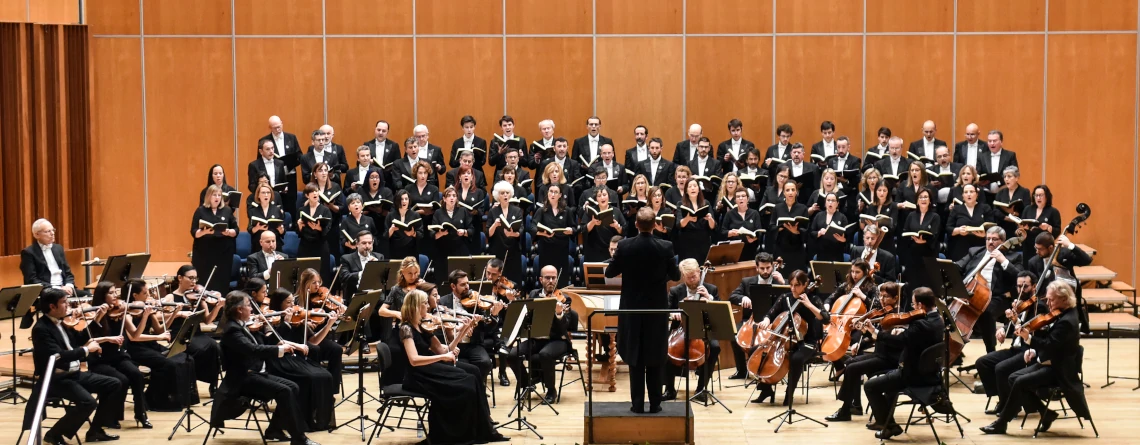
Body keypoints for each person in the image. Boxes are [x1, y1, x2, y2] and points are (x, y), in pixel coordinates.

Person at [397, 290, 509, 444]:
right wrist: (443, 357)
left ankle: (482, 429)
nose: (428, 306)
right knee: (467, 383)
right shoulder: (406, 329)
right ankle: (459, 434)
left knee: (472, 378)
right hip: (418, 375)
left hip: (430, 368)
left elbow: (445, 349)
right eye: (424, 303)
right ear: (415, 306)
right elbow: (414, 360)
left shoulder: (423, 327)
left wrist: (463, 330)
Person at [980, 281, 1087, 435]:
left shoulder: (1067, 321)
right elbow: (1053, 344)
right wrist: (1035, 352)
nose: (1048, 303)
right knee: (1013, 378)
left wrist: (1029, 339)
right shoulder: (1062, 313)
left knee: (1018, 381)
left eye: (1052, 300)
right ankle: (1045, 413)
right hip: (1049, 362)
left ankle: (1002, 423)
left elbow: (1050, 345)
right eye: (1048, 299)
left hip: (1059, 370)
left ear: (1065, 299)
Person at [213, 292, 318, 445]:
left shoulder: (242, 325)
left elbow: (262, 343)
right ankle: (299, 438)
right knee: (285, 391)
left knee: (294, 386)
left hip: (255, 374)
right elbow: (253, 349)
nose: (252, 309)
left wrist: (283, 343)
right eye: (249, 305)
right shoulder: (232, 330)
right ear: (239, 310)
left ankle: (274, 429)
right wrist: (280, 350)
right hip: (242, 379)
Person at [22, 289, 123, 445]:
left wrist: (97, 318)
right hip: (56, 379)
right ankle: (54, 434)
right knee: (88, 402)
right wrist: (87, 350)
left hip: (74, 375)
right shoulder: (41, 329)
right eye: (64, 302)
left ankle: (95, 431)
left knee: (114, 384)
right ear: (52, 306)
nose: (68, 306)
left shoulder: (61, 322)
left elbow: (81, 337)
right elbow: (58, 356)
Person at [606, 208, 681, 413]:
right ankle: (656, 404)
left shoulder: (624, 246)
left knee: (635, 355)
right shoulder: (666, 246)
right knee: (655, 355)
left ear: (636, 225)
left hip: (631, 309)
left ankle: (637, 404)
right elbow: (675, 275)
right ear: (655, 223)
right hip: (656, 310)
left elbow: (610, 271)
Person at [863, 287, 945, 439]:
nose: (912, 308)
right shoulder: (938, 320)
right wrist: (904, 331)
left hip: (912, 376)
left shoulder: (920, 325)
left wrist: (875, 333)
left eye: (914, 304)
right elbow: (914, 338)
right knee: (889, 386)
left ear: (920, 305)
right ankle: (888, 422)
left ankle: (889, 426)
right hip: (930, 375)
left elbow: (899, 343)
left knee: (870, 386)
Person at [114, 279, 199, 414]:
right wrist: (152, 328)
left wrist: (174, 314)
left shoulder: (147, 307)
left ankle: (184, 399)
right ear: (135, 295)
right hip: (135, 348)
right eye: (145, 293)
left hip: (150, 344)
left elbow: (160, 329)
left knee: (185, 358)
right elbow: (134, 337)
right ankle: (154, 399)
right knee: (168, 364)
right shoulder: (126, 313)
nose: (149, 296)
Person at [260, 288, 338, 432]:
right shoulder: (271, 320)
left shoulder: (299, 319)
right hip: (280, 361)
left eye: (293, 302)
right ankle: (302, 422)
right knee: (309, 378)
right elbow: (272, 341)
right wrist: (286, 323)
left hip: (298, 361)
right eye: (288, 302)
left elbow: (314, 341)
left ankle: (319, 420)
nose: (292, 306)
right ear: (278, 304)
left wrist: (329, 324)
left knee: (325, 375)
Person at [826, 282, 902, 422]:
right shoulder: (883, 313)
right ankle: (852, 406)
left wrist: (873, 331)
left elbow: (888, 340)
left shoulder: (898, 317)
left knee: (853, 367)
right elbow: (876, 338)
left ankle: (846, 409)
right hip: (879, 355)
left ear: (896, 298)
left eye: (886, 297)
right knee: (849, 362)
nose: (881, 299)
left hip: (890, 359)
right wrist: (860, 343)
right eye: (880, 296)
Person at [751, 270, 828, 406]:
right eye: (791, 285)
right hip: (784, 339)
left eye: (797, 285)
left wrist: (809, 305)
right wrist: (766, 320)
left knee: (796, 358)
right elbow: (771, 312)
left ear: (805, 285)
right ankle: (765, 389)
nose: (793, 288)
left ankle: (789, 394)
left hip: (807, 342)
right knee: (756, 350)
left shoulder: (814, 299)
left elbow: (826, 319)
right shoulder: (786, 298)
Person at [506, 266, 578, 403]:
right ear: (541, 279)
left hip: (558, 341)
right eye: (547, 278)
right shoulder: (534, 294)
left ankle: (551, 391)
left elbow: (564, 327)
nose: (551, 281)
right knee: (511, 355)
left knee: (545, 354)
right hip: (536, 339)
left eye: (553, 278)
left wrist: (558, 313)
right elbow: (524, 316)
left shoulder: (564, 299)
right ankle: (527, 384)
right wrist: (513, 302)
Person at [973, 271, 1038, 415]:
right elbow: (1012, 328)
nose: (1021, 290)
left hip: (1028, 351)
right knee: (982, 363)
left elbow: (1031, 330)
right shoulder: (1018, 304)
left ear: (1034, 286)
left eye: (1025, 287)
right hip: (1015, 349)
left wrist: (1016, 321)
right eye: (1018, 286)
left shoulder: (1038, 306)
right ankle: (1005, 400)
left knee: (1001, 368)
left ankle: (1010, 406)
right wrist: (1002, 329)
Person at [955, 226, 1023, 353]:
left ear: (1003, 241)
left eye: (995, 239)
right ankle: (955, 351)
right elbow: (959, 266)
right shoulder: (975, 251)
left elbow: (1019, 276)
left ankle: (990, 351)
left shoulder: (1013, 257)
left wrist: (1003, 260)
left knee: (986, 312)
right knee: (949, 311)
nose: (990, 242)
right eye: (988, 239)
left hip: (997, 297)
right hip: (970, 293)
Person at [663, 259, 720, 403]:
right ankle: (669, 389)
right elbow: (666, 311)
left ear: (699, 273)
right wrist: (674, 313)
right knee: (665, 347)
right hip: (680, 330)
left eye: (694, 276)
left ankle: (701, 389)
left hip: (703, 329)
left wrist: (709, 298)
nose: (692, 280)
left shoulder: (711, 289)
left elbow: (720, 311)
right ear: (683, 276)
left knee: (714, 347)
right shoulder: (676, 291)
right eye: (688, 278)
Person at [163, 265, 223, 393]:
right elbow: (162, 320)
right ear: (180, 278)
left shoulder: (198, 296)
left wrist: (217, 307)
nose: (194, 282)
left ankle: (213, 383)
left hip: (197, 334)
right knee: (200, 349)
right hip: (181, 335)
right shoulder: (171, 298)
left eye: (195, 279)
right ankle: (192, 380)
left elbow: (207, 320)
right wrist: (179, 313)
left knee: (215, 347)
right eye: (190, 278)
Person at [726, 252, 785, 379]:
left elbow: (790, 299)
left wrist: (781, 282)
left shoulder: (779, 281)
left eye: (768, 268)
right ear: (756, 267)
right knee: (734, 335)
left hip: (773, 321)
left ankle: (769, 369)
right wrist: (743, 298)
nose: (765, 271)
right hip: (751, 320)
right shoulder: (747, 282)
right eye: (762, 268)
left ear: (772, 266)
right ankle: (742, 371)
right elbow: (732, 296)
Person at [438, 270, 504, 379]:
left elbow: (487, 329)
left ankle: (477, 388)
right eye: (462, 285)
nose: (467, 287)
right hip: (453, 344)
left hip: (473, 344)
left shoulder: (476, 302)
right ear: (453, 286)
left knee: (485, 363)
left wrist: (494, 316)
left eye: (467, 283)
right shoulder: (443, 302)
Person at [21, 218, 83, 327]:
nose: (52, 233)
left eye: (52, 230)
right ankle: (59, 330)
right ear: (36, 234)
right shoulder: (28, 253)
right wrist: (57, 289)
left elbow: (68, 273)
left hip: (65, 288)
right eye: (47, 231)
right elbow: (31, 279)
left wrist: (69, 285)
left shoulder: (58, 248)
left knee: (91, 296)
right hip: (46, 291)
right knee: (59, 301)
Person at [1027, 232, 1093, 331]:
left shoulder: (1064, 254)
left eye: (1040, 249)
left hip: (1064, 302)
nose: (1037, 251)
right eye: (1035, 248)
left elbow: (1087, 260)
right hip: (1044, 303)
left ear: (1050, 248)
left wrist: (1070, 245)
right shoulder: (1033, 262)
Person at [192, 184, 237, 294]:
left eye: (219, 195)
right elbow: (194, 232)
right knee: (205, 280)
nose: (217, 197)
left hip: (223, 252)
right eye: (214, 195)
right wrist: (204, 231)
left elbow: (236, 230)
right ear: (208, 197)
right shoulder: (200, 211)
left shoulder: (227, 210)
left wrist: (229, 232)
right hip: (205, 253)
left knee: (221, 280)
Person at [531, 184, 576, 288]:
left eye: (555, 192)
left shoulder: (567, 210)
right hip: (546, 250)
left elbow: (574, 228)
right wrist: (542, 233)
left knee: (561, 279)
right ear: (547, 193)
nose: (553, 194)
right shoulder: (541, 210)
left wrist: (570, 230)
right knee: (547, 280)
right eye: (551, 191)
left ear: (560, 195)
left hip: (562, 250)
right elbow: (532, 228)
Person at [900, 188, 941, 294]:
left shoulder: (935, 216)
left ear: (930, 200)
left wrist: (924, 241)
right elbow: (905, 231)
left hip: (928, 254)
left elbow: (935, 235)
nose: (923, 199)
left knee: (927, 287)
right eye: (921, 197)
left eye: (926, 197)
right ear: (917, 200)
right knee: (913, 286)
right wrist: (913, 238)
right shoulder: (911, 215)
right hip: (913, 254)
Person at [430, 186, 474, 279]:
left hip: (459, 249)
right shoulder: (438, 212)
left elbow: (471, 230)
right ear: (444, 199)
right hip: (442, 250)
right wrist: (441, 233)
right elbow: (432, 234)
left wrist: (464, 231)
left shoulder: (463, 211)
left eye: (454, 196)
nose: (452, 198)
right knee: (443, 278)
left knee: (459, 278)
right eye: (449, 196)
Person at [487, 181, 525, 285]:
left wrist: (512, 234)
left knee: (513, 281)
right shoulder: (492, 211)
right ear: (497, 195)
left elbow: (521, 230)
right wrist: (495, 225)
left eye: (507, 193)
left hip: (513, 250)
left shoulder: (517, 211)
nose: (505, 195)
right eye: (502, 193)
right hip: (498, 249)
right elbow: (488, 233)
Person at [264, 116, 302, 220]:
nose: (278, 129)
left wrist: (290, 162)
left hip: (290, 176)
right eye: (275, 128)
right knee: (276, 204)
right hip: (274, 178)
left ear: (282, 123)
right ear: (270, 127)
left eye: (279, 126)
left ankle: (292, 227)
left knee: (291, 204)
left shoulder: (291, 137)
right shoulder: (264, 141)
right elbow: (261, 161)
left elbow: (299, 155)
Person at [946, 183, 995, 260]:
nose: (969, 194)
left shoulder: (985, 208)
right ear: (962, 195)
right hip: (960, 248)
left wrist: (985, 234)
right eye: (966, 192)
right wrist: (958, 230)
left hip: (980, 247)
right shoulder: (956, 209)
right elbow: (948, 228)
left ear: (977, 194)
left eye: (971, 192)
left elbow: (992, 227)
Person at [296, 184, 333, 283]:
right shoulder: (301, 210)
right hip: (305, 246)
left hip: (320, 246)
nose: (315, 193)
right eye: (312, 191)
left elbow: (328, 230)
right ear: (307, 195)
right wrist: (299, 227)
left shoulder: (326, 210)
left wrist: (319, 228)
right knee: (305, 274)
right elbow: (298, 233)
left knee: (322, 274)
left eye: (317, 191)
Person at [770, 180, 808, 275]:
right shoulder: (777, 208)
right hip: (781, 248)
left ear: (796, 192)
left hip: (797, 249)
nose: (790, 192)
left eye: (792, 190)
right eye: (787, 190)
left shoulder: (803, 208)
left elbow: (806, 229)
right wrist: (779, 228)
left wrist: (796, 231)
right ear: (784, 192)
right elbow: (771, 227)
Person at [1019, 185, 1062, 267]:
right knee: (1028, 268)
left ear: (1046, 196)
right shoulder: (1028, 209)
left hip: (1043, 247)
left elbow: (1057, 230)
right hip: (1028, 245)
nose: (1038, 198)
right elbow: (1021, 224)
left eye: (1041, 195)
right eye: (1036, 195)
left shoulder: (1053, 211)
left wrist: (1048, 227)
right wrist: (1023, 228)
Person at [675, 178, 716, 263]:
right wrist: (687, 218)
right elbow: (679, 224)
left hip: (703, 241)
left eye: (695, 186)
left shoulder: (706, 203)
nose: (693, 188)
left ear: (698, 189)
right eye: (690, 186)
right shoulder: (681, 204)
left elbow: (713, 226)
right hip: (687, 242)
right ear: (686, 190)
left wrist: (710, 219)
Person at [580, 186, 627, 263]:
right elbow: (583, 230)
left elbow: (624, 231)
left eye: (604, 195)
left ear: (608, 196)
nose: (602, 198)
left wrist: (617, 227)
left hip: (611, 250)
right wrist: (592, 223)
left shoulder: (616, 211)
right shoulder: (590, 211)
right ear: (596, 198)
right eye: (599, 196)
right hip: (594, 250)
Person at [338, 230, 384, 300]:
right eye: (364, 243)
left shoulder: (379, 257)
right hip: (356, 297)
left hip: (376, 296)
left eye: (370, 243)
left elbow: (385, 279)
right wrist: (364, 272)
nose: (367, 246)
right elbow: (344, 277)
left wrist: (378, 267)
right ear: (357, 244)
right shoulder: (346, 258)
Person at [720, 188, 763, 262]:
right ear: (735, 200)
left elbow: (759, 232)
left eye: (743, 196)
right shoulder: (729, 214)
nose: (741, 198)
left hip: (751, 249)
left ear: (748, 199)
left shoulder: (754, 213)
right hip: (734, 249)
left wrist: (754, 238)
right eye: (738, 197)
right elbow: (722, 232)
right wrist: (730, 233)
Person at [809, 192, 849, 262]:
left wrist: (843, 240)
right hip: (821, 253)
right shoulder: (819, 215)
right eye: (828, 200)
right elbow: (811, 232)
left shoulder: (842, 217)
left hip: (837, 254)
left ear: (837, 203)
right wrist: (819, 233)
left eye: (833, 200)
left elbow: (847, 237)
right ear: (825, 203)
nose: (830, 202)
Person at [247, 183, 286, 254]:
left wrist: (281, 230)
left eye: (268, 192)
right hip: (258, 246)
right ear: (258, 195)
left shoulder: (277, 210)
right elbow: (250, 229)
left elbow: (283, 231)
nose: (266, 195)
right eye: (263, 193)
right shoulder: (253, 211)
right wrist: (257, 228)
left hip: (275, 246)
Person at [385, 189, 423, 261]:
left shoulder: (415, 215)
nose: (404, 201)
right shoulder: (390, 215)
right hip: (395, 250)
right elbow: (384, 236)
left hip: (411, 250)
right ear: (397, 201)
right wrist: (391, 230)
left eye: (406, 199)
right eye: (401, 199)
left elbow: (421, 234)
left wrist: (413, 233)